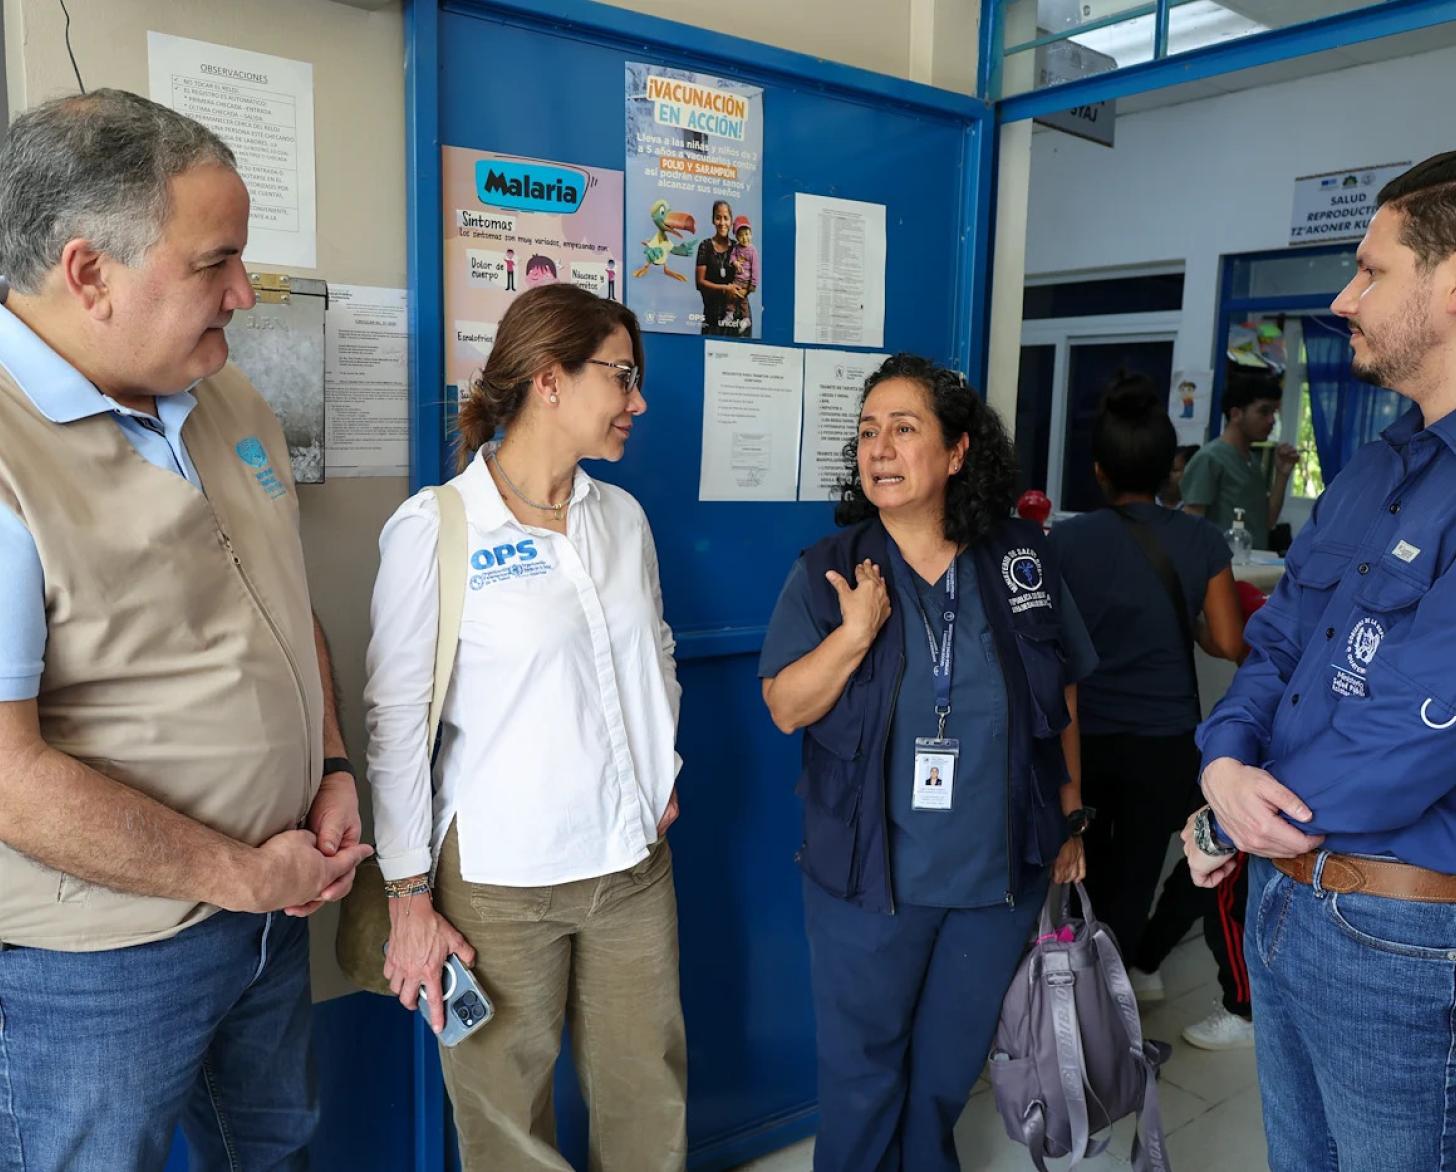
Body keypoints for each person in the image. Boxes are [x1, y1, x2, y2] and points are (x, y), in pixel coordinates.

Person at [0, 90, 371, 1171]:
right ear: (87, 273)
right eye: (217, 262)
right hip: (95, 964)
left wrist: (333, 760)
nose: (246, 294)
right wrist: (241, 873)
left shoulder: (223, 397)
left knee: (274, 1151)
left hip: (266, 907)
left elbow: (275, 591)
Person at [364, 283, 687, 1172]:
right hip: (500, 887)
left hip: (630, 868)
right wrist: (408, 900)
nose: (638, 401)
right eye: (621, 377)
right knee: (506, 1128)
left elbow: (653, 653)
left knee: (646, 1100)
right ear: (550, 379)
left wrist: (662, 774)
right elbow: (395, 726)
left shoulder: (621, 518)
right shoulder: (437, 528)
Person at [1182, 151, 1456, 1171]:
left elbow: (1411, 733)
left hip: (1400, 932)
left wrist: (1233, 811)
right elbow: (1277, 643)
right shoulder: (1373, 467)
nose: (1345, 298)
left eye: (1371, 270)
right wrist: (1222, 760)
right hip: (1284, 897)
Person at [759, 354, 1098, 1172]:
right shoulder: (828, 569)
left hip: (994, 877)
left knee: (944, 1079)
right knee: (861, 1081)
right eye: (869, 432)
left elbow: (1064, 697)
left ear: (956, 452)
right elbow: (784, 706)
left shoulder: (1022, 561)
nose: (879, 447)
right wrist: (853, 635)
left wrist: (1071, 814)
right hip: (868, 883)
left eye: (904, 429)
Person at [1047, 375, 1247, 1046]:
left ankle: (1072, 1000)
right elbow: (1226, 640)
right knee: (1139, 870)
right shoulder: (1203, 543)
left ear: (1098, 472)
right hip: (1163, 740)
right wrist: (1184, 624)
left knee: (1080, 870)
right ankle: (1116, 1001)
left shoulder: (1064, 544)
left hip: (1084, 737)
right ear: (1171, 470)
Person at [1180, 366, 1296, 549]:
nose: (1271, 420)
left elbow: (1267, 522)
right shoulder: (1210, 459)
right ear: (1236, 414)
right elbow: (1190, 527)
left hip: (1251, 568)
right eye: (1264, 412)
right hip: (1218, 571)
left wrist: (1282, 474)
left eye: (1274, 412)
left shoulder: (1252, 461)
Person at [695, 199, 748, 336]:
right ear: (713, 220)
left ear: (731, 221)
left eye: (726, 218)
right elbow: (700, 283)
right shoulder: (705, 246)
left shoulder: (739, 248)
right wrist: (725, 288)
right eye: (718, 218)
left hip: (736, 319)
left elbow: (746, 278)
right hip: (712, 317)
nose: (722, 222)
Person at [729, 214, 758, 324]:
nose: (745, 238)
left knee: (742, 299)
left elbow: (755, 269)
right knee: (731, 296)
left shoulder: (752, 251)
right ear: (736, 237)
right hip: (737, 279)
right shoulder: (736, 247)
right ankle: (729, 314)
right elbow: (732, 257)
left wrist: (752, 285)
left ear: (751, 234)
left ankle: (746, 318)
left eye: (747, 234)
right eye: (741, 236)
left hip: (746, 281)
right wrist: (735, 263)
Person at [1158, 442, 1201, 509]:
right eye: (1163, 469)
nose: (1166, 475)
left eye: (1174, 470)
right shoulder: (1146, 503)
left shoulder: (1196, 509)